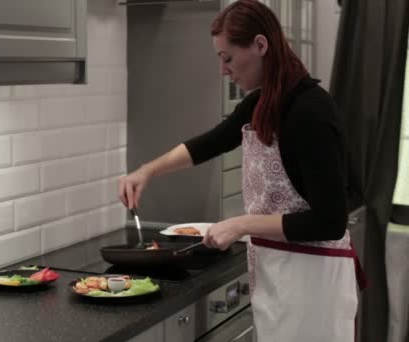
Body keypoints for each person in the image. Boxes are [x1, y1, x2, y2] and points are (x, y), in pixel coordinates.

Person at [118, 1, 366, 341]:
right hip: (275, 273)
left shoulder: (311, 111)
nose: (223, 70)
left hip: (314, 281)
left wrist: (241, 224)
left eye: (228, 57)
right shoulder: (261, 103)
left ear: (261, 45)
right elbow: (210, 143)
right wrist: (146, 172)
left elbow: (329, 220)